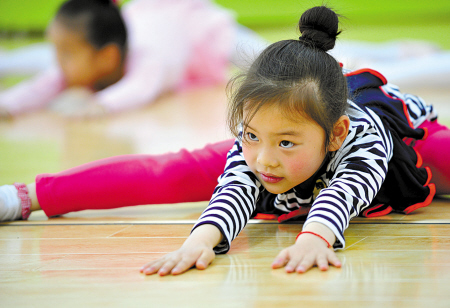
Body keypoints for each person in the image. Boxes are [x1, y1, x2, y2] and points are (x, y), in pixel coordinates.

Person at [1, 6, 449, 275]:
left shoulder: (361, 139)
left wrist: (316, 236)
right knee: (170, 171)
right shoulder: (259, 149)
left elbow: (346, 191)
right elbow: (235, 189)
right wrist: (202, 238)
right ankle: (25, 196)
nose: (264, 161)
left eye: (285, 144)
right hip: (296, 140)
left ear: (335, 136)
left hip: (402, 152)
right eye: (250, 135)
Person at [0, 0, 263, 118]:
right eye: (58, 50)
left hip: (195, 26)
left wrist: (101, 105)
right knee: (53, 63)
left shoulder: (150, 60)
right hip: (145, 17)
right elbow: (42, 85)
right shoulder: (90, 55)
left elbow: (141, 88)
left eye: (65, 53)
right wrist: (9, 105)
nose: (59, 62)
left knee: (264, 59)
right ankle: (6, 61)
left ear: (108, 58)